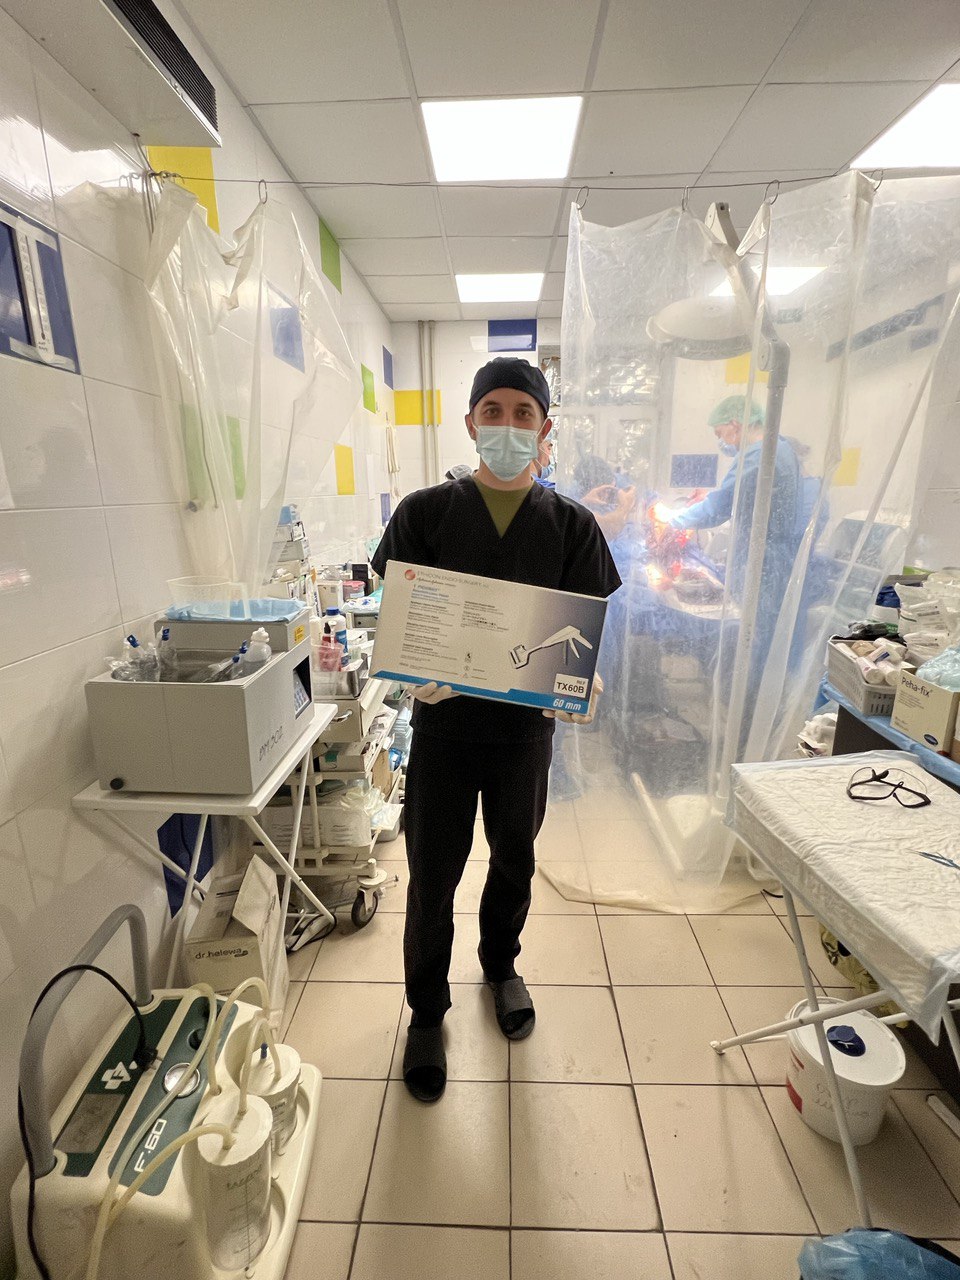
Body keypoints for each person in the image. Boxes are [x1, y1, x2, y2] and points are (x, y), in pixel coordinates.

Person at [371, 357, 621, 1103]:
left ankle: (501, 966)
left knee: (515, 860)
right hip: (444, 730)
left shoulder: (572, 525)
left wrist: (581, 682)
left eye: (523, 413)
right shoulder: (423, 514)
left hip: (523, 736)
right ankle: (426, 1011)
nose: (507, 425)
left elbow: (580, 627)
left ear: (545, 429)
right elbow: (401, 612)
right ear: (470, 422)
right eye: (493, 411)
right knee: (432, 874)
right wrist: (410, 667)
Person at [653, 394, 801, 604]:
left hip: (764, 562)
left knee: (757, 618)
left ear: (735, 424)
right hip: (775, 558)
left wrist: (673, 518)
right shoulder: (780, 448)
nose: (721, 441)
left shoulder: (757, 456)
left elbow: (720, 506)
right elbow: (747, 499)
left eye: (720, 433)